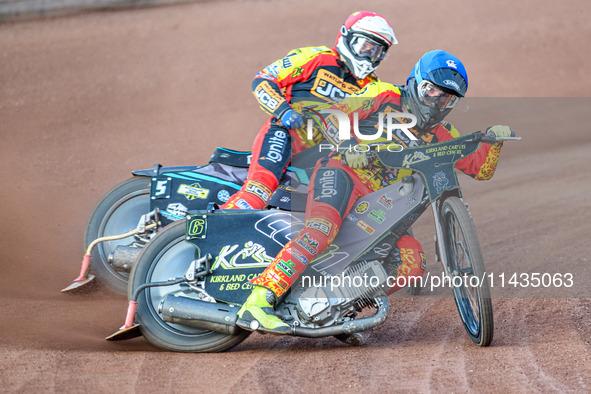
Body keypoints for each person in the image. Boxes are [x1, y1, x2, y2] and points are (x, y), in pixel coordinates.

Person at [236, 50, 513, 334]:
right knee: (321, 230)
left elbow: (480, 170)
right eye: (431, 90)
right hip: (341, 174)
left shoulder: (443, 134)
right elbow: (334, 115)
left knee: (412, 261)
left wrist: (494, 142)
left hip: (383, 206)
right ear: (415, 82)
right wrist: (348, 145)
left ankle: (333, 310)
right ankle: (258, 301)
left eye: (447, 98)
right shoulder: (383, 95)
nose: (436, 101)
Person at [220, 11, 397, 210]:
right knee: (259, 191)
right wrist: (283, 110)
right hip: (285, 136)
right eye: (364, 46)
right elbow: (264, 79)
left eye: (377, 51)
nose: (369, 55)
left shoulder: (372, 87)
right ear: (346, 36)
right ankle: (217, 229)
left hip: (325, 154)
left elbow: (369, 127)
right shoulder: (317, 58)